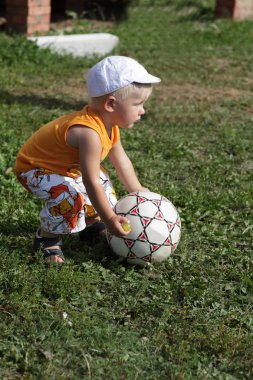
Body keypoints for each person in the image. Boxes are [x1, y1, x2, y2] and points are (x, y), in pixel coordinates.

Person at [15, 56, 161, 263]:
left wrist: (137, 190)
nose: (142, 111)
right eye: (138, 104)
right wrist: (110, 218)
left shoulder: (110, 127)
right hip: (34, 168)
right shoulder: (89, 133)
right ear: (111, 104)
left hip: (63, 168)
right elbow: (89, 181)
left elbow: (122, 161)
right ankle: (47, 238)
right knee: (68, 197)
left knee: (104, 183)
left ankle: (91, 224)